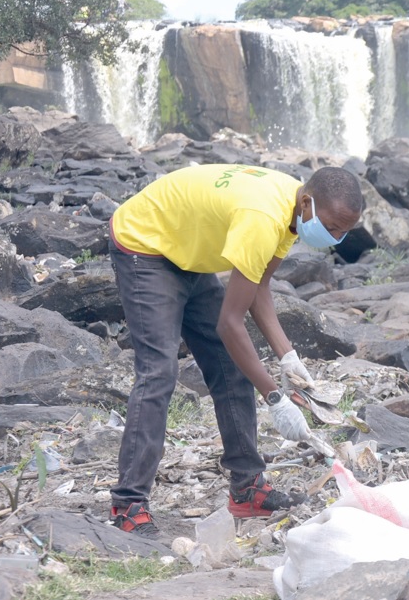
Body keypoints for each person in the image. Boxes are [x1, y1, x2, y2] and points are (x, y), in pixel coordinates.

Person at [108, 164, 363, 537]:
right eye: (333, 226)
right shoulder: (262, 217)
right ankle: (128, 504)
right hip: (145, 244)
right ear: (308, 202)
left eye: (344, 231)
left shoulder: (293, 213)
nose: (336, 237)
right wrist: (275, 397)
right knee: (159, 372)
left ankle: (247, 489)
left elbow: (259, 287)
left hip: (186, 248)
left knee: (231, 366)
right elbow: (230, 323)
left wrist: (288, 358)